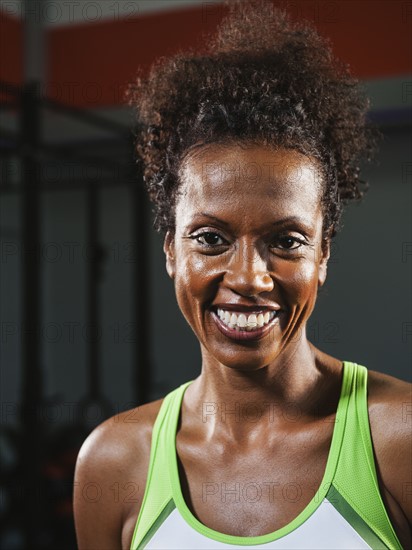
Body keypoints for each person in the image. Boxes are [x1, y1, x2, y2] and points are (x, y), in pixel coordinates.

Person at [73, 2, 411, 548]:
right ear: (170, 251)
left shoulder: (399, 439)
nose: (250, 277)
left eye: (286, 241)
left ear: (322, 255)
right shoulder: (114, 463)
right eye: (210, 238)